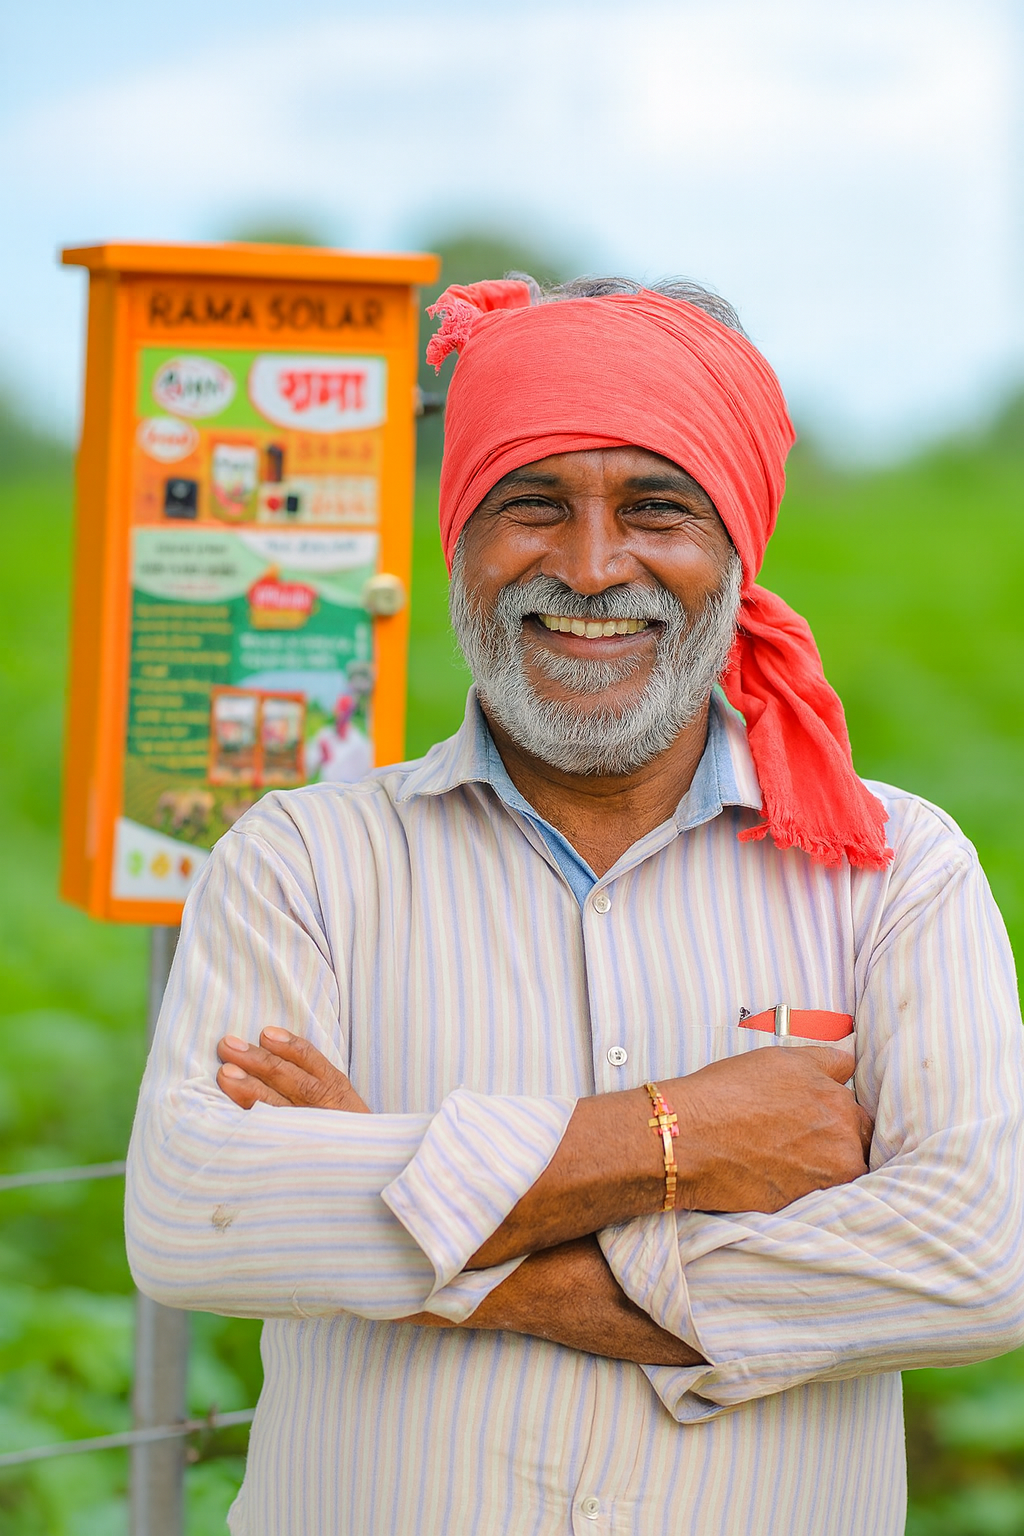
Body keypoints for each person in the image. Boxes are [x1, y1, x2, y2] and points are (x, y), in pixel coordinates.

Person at [126, 275, 1024, 1536]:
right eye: (532, 505)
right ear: (460, 540)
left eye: (657, 508)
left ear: (735, 550)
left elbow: (972, 1267)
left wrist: (439, 1243)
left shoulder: (897, 869)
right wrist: (687, 1135)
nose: (593, 567)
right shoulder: (300, 861)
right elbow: (192, 1217)